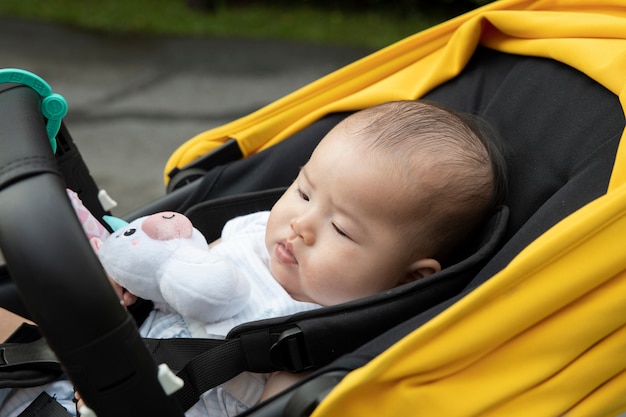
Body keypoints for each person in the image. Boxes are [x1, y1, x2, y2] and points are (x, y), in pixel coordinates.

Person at [0, 100, 507, 417]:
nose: (301, 226)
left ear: (405, 279)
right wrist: (127, 277)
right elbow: (173, 274)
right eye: (305, 192)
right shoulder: (250, 235)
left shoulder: (316, 340)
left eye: (341, 229)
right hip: (65, 367)